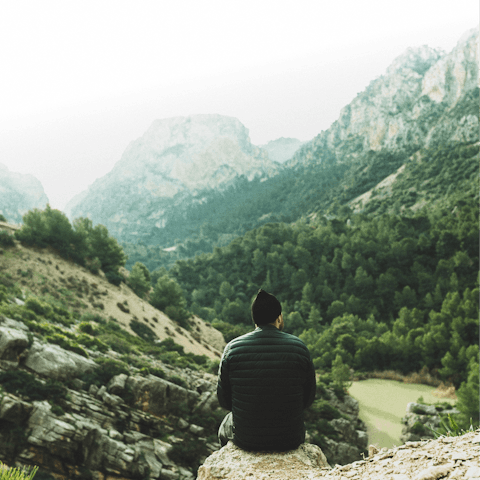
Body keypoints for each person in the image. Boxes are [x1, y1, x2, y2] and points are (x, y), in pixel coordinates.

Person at [216, 289, 316, 451]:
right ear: (279, 317)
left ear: (255, 320)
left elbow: (224, 401)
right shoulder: (299, 347)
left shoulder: (232, 348)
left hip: (247, 440)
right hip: (290, 439)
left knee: (225, 424)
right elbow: (308, 398)